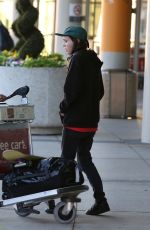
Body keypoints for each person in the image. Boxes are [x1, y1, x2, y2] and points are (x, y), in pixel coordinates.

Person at [53, 26, 110, 216]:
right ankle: (101, 200)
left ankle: (65, 206)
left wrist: (63, 108)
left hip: (74, 123)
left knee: (67, 163)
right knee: (85, 161)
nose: (64, 45)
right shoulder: (93, 60)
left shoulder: (77, 60)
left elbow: (71, 92)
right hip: (90, 123)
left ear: (77, 42)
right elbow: (100, 92)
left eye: (66, 41)